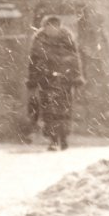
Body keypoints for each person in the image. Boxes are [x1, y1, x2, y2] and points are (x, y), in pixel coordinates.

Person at [26, 15, 84, 151]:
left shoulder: (67, 39)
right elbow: (33, 62)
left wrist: (75, 77)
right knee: (49, 110)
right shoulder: (39, 40)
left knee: (64, 109)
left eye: (54, 26)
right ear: (44, 27)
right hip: (46, 80)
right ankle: (53, 139)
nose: (51, 29)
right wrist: (33, 79)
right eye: (48, 26)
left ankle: (63, 137)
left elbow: (75, 59)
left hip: (64, 80)